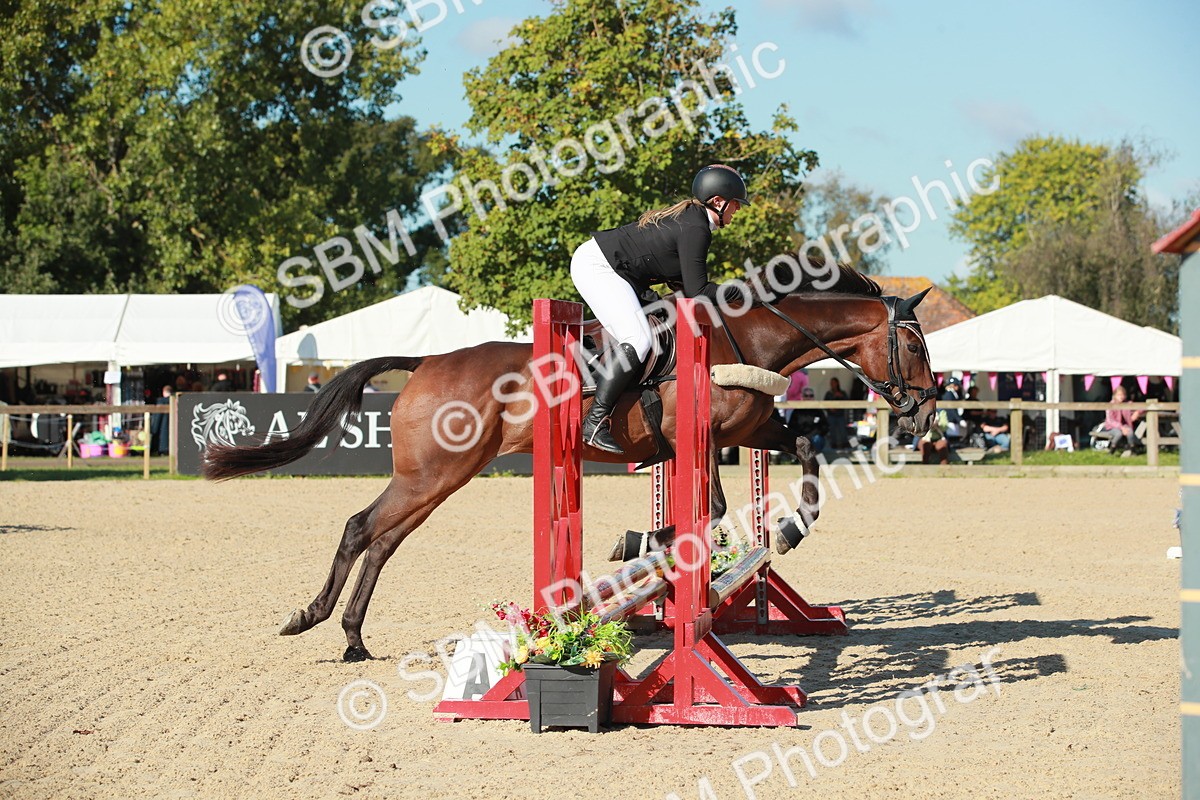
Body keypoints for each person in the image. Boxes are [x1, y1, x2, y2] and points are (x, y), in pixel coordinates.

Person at [570, 164, 751, 453]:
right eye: (736, 204)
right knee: (638, 340)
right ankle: (594, 422)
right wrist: (744, 291)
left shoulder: (694, 222)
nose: (737, 210)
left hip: (619, 272)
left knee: (665, 323)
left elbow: (684, 290)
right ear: (718, 201)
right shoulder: (696, 228)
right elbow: (698, 291)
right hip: (598, 267)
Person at [1102, 385, 1144, 455]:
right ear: (1115, 395)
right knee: (1119, 433)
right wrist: (1121, 428)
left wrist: (1137, 412)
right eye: (1119, 395)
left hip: (1125, 425)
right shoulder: (1110, 405)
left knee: (1130, 431)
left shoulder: (1127, 403)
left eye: (1123, 395)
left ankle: (1132, 449)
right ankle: (1112, 449)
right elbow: (1110, 420)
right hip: (1112, 427)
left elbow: (1143, 407)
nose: (1121, 397)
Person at [789, 387, 828, 455]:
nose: (809, 398)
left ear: (814, 398)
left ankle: (816, 460)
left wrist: (816, 434)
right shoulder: (797, 411)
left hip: (815, 437)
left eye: (811, 396)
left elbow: (825, 426)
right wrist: (802, 437)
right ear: (802, 397)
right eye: (806, 396)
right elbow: (791, 426)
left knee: (817, 439)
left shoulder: (818, 411)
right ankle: (800, 460)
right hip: (801, 437)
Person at [824, 377, 849, 449]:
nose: (832, 384)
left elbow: (848, 402)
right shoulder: (828, 393)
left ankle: (845, 444)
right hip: (831, 415)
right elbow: (824, 404)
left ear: (837, 383)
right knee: (832, 431)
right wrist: (830, 409)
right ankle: (833, 444)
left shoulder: (842, 393)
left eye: (834, 383)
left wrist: (841, 396)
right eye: (831, 383)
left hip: (840, 415)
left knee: (843, 430)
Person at [151, 385, 172, 456]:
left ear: (163, 392)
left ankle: (163, 451)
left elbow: (158, 417)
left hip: (163, 427)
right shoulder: (175, 402)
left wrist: (154, 428)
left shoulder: (161, 402)